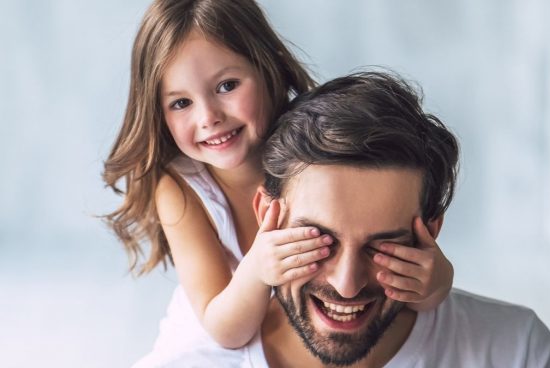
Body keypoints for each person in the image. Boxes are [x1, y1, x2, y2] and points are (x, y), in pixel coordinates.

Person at [102, 0, 454, 364]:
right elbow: (226, 331)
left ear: (268, 68)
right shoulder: (180, 189)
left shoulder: (311, 149)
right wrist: (258, 268)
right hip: (224, 331)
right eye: (180, 103)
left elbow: (416, 297)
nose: (208, 117)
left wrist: (438, 279)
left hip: (310, 330)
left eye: (227, 85)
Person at [162, 71, 550, 367]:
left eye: (381, 248)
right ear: (268, 214)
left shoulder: (517, 350)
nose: (347, 284)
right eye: (319, 240)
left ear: (431, 232)